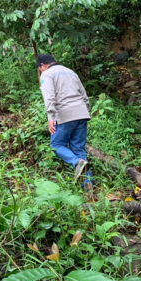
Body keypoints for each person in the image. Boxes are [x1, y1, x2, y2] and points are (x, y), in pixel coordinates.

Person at [36, 53, 91, 184]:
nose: (40, 71)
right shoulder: (71, 72)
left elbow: (49, 97)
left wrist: (50, 117)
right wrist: (85, 111)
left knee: (56, 145)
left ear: (42, 65)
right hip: (82, 113)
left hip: (65, 114)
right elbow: (84, 95)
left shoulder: (47, 74)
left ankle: (77, 162)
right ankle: (88, 186)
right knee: (79, 149)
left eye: (39, 69)